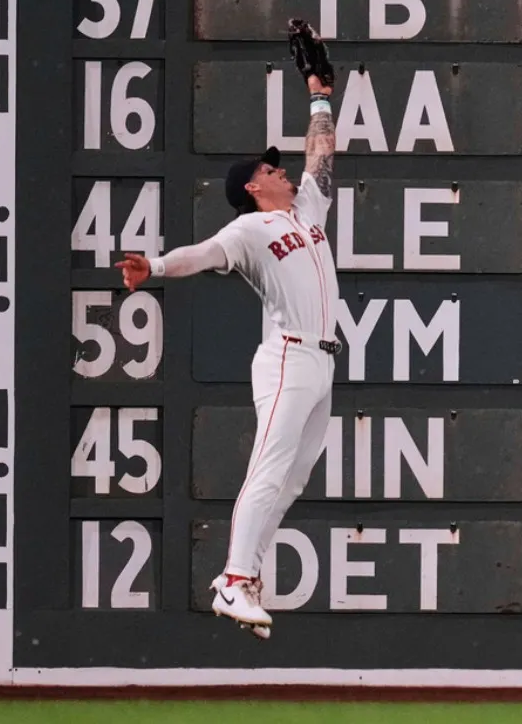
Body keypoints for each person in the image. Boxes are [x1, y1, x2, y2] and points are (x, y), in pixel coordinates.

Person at [116, 57, 338, 641]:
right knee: (268, 468)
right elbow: (201, 253)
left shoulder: (306, 211)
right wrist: (156, 266)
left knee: (292, 481)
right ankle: (233, 578)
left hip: (323, 363)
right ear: (252, 185)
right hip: (287, 356)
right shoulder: (248, 231)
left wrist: (320, 96)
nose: (285, 172)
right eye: (272, 168)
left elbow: (323, 160)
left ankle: (251, 579)